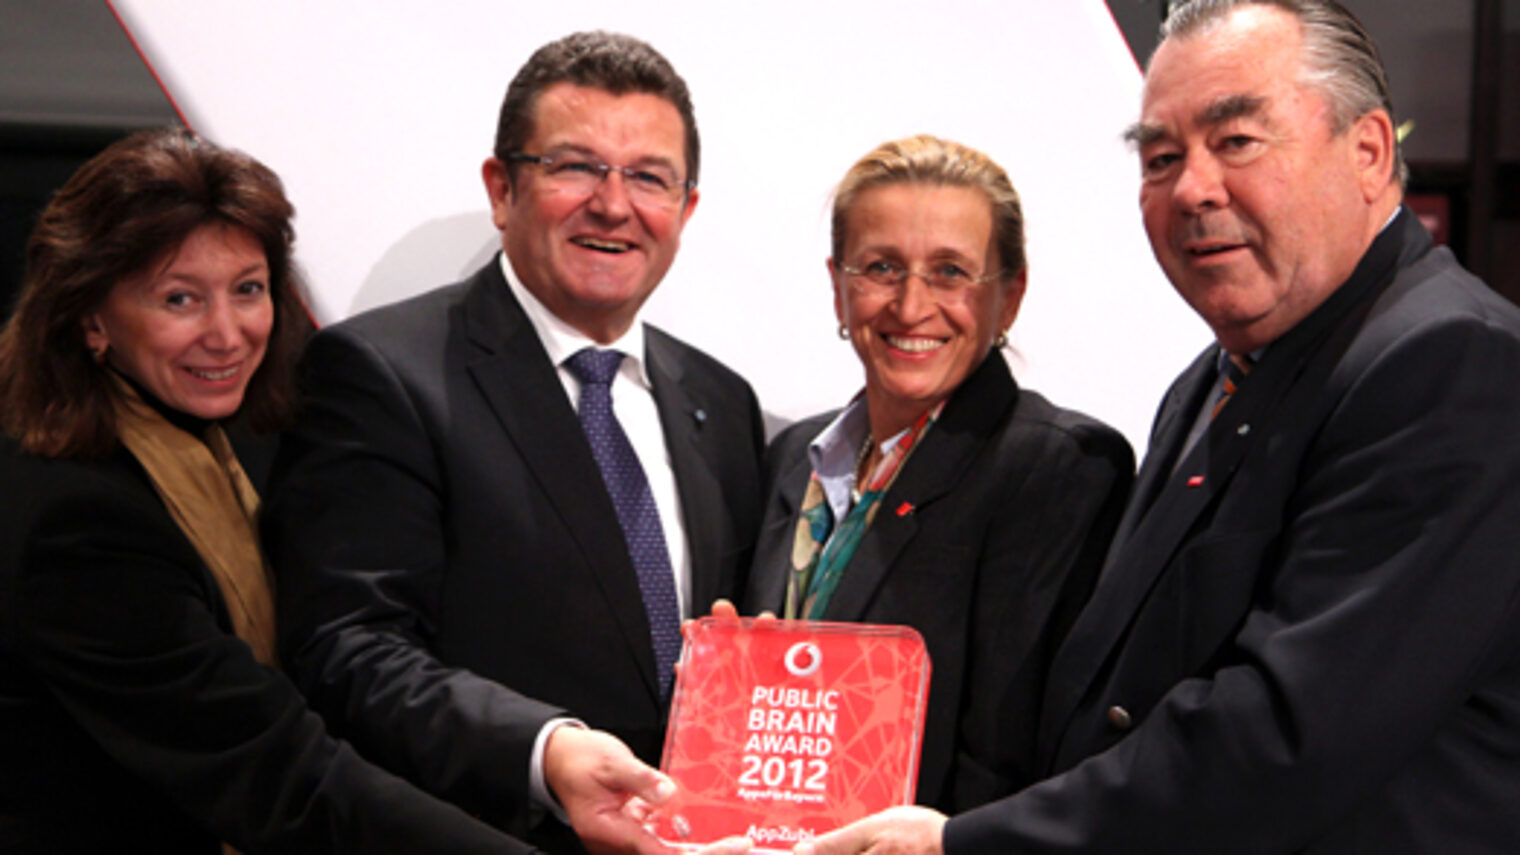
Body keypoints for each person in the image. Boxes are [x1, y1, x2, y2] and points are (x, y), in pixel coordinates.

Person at [796, 2, 1520, 853]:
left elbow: (1283, 740)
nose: (1193, 189)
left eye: (1237, 141)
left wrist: (971, 841)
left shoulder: (1449, 363)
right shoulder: (1213, 379)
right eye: (1161, 157)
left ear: (1368, 151)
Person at [263, 31, 765, 855]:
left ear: (686, 209)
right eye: (574, 166)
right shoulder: (382, 372)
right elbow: (346, 647)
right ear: (502, 189)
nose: (613, 203)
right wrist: (544, 749)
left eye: (648, 176)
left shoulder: (722, 402)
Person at [0, 128, 535, 853]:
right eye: (180, 298)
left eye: (248, 290)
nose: (227, 334)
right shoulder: (76, 518)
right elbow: (284, 774)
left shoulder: (224, 443)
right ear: (90, 318)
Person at [740, 135, 1132, 813]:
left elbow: (1008, 762)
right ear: (839, 287)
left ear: (1008, 297)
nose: (911, 305)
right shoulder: (794, 456)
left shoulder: (1058, 465)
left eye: (950, 271)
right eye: (882, 267)